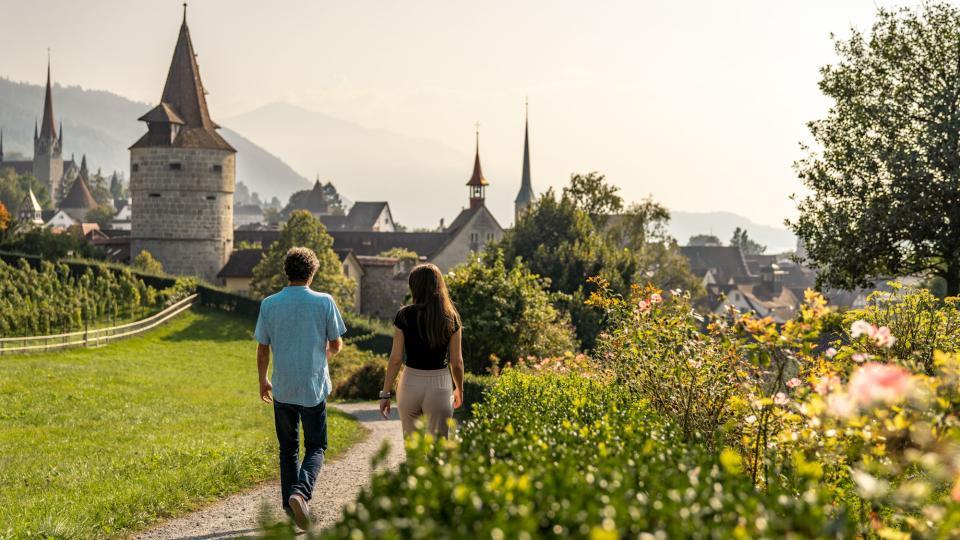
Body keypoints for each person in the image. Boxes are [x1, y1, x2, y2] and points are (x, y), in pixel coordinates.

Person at [254, 247, 346, 530]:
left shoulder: (269, 304)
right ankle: (300, 493)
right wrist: (323, 355)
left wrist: (262, 379)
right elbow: (336, 344)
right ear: (312, 273)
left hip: (283, 386)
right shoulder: (324, 302)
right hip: (313, 386)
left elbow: (262, 348)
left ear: (287, 271)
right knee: (316, 446)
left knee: (288, 448)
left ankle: (291, 509)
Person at [379, 263, 464, 437]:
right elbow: (457, 363)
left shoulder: (403, 315)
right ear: (439, 285)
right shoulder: (451, 317)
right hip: (440, 385)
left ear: (413, 286)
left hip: (410, 383)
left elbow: (396, 359)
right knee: (438, 449)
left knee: (412, 447)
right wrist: (459, 389)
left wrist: (385, 394)